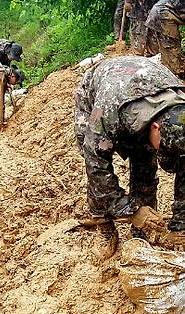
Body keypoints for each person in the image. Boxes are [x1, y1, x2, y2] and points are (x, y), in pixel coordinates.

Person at [74, 56, 185, 246]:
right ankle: (104, 227)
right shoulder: (110, 111)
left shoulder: (180, 105)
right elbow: (96, 167)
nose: (165, 155)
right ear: (155, 128)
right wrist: (131, 211)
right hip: (103, 93)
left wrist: (180, 226)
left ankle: (143, 230)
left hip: (146, 90)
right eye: (165, 148)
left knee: (145, 166)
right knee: (95, 163)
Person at [145, 0, 185, 78]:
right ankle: (173, 78)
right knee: (171, 50)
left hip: (162, 12)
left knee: (170, 49)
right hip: (163, 14)